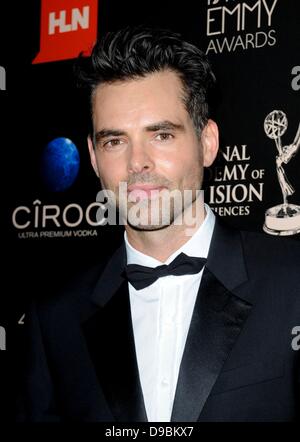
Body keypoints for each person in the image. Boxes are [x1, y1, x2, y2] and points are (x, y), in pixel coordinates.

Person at [17, 26, 300, 422]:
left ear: (207, 143)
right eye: (115, 141)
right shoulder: (55, 318)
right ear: (94, 159)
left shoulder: (292, 280)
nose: (137, 163)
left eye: (162, 135)